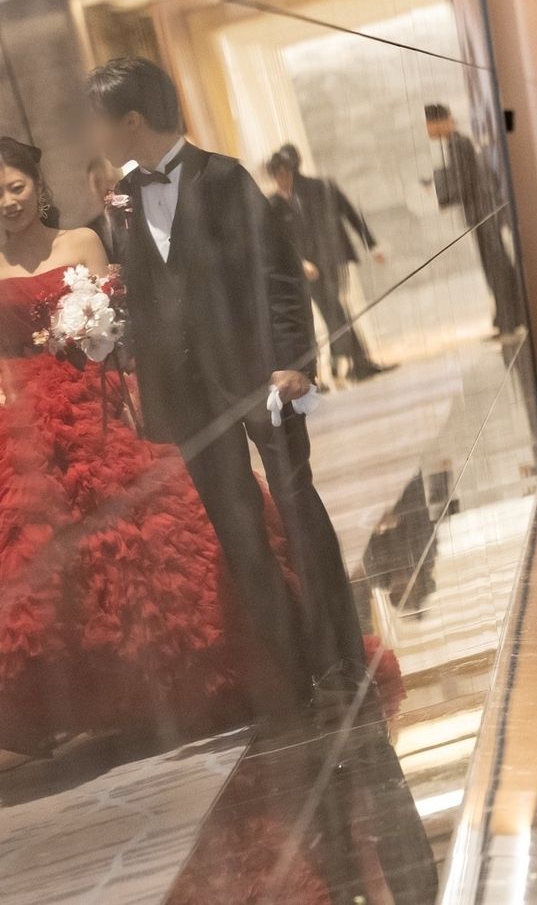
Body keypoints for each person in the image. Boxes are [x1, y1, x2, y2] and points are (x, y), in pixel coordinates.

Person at [0, 136, 299, 753]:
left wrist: (101, 337)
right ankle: (97, 691)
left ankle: (182, 674)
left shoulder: (80, 243)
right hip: (26, 415)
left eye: (15, 186)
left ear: (37, 184)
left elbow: (122, 319)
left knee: (143, 531)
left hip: (95, 393)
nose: (6, 202)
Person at [86, 57, 366, 714]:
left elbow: (279, 276)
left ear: (132, 120)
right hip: (187, 395)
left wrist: (295, 361)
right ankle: (292, 673)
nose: (94, 134)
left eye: (100, 121)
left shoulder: (225, 177)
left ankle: (341, 658)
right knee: (238, 529)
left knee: (296, 507)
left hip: (259, 374)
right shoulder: (122, 198)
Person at [275, 142, 390, 383]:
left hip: (324, 262)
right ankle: (351, 361)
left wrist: (372, 244)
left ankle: (349, 361)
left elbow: (349, 213)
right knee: (335, 311)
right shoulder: (283, 200)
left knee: (334, 311)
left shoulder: (317, 188)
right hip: (317, 265)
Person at [424, 103, 523, 338]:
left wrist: (440, 194)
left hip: (483, 214)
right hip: (482, 213)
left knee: (496, 267)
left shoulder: (458, 143)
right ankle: (509, 318)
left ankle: (510, 321)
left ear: (441, 122)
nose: (428, 130)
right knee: (496, 266)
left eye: (429, 125)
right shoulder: (456, 143)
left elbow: (464, 180)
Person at [83, 154, 123, 256]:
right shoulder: (88, 231)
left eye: (110, 180)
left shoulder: (135, 213)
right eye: (97, 182)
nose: (105, 187)